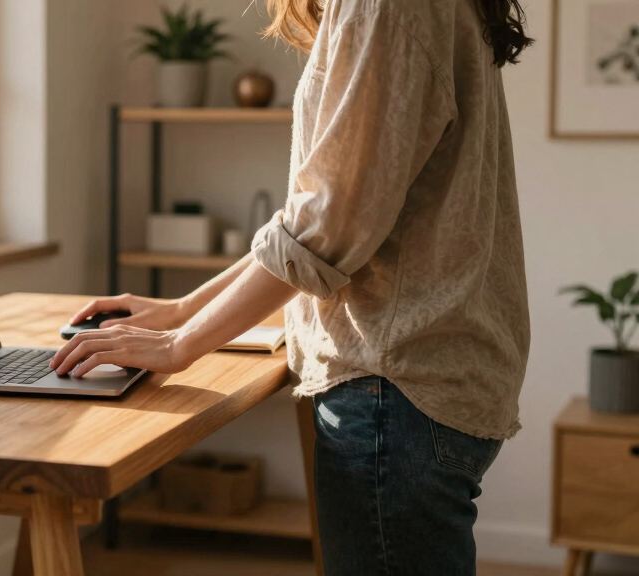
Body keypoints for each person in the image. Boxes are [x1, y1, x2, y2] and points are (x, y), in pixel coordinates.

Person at [50, 0, 533, 573]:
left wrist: (180, 344)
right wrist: (183, 309)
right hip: (425, 375)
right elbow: (312, 223)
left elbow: (323, 229)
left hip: (395, 386)